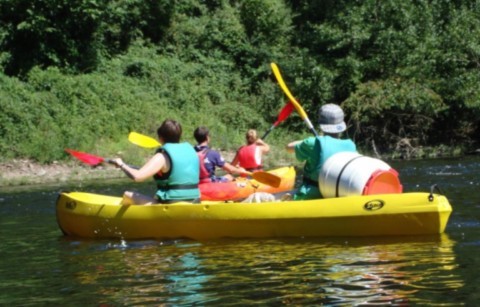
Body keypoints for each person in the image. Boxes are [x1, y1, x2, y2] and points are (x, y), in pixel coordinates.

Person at [112, 119, 200, 205]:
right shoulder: (192, 152)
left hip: (171, 204)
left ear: (160, 138)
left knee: (127, 195)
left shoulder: (162, 156)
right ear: (179, 136)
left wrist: (121, 164)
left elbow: (137, 177)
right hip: (194, 201)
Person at [286, 104, 357, 200]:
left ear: (321, 124)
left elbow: (288, 147)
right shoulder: (351, 146)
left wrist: (307, 140)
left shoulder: (313, 143)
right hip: (339, 196)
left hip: (311, 196)